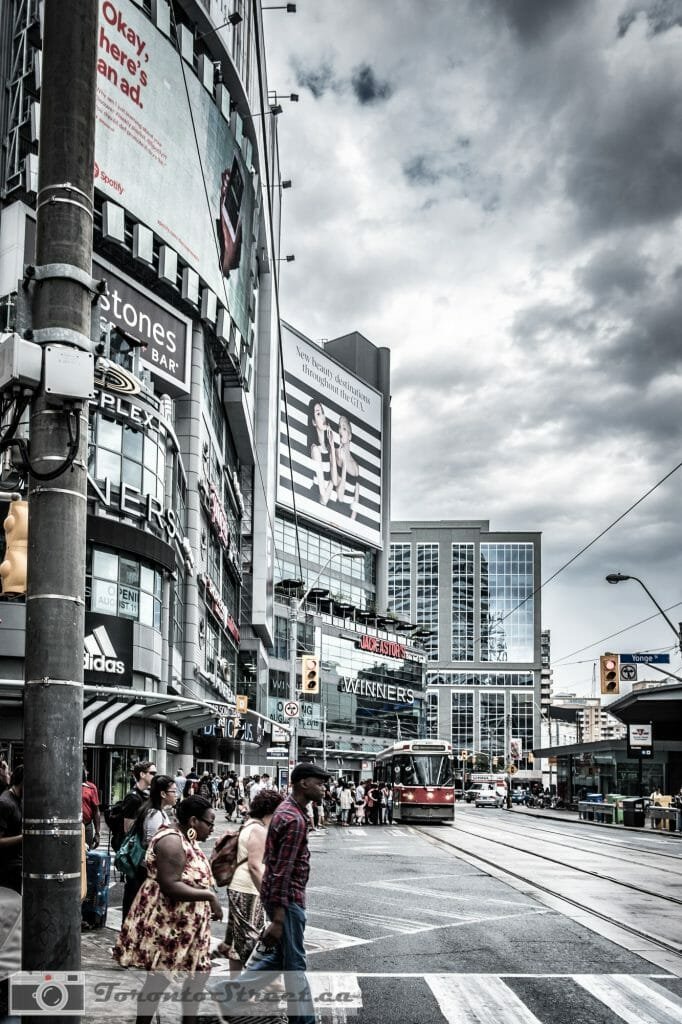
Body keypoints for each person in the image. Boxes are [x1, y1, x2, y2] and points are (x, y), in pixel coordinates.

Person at [214, 763, 330, 1024]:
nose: (324, 788)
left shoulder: (287, 812)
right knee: (295, 965)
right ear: (303, 783)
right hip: (288, 902)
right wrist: (278, 919)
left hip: (282, 901)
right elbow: (281, 871)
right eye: (319, 783)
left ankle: (229, 993)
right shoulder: (294, 819)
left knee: (278, 957)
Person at [113, 796, 222, 1024]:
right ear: (193, 820)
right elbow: (171, 885)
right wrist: (209, 896)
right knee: (159, 979)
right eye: (210, 823)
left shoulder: (186, 837)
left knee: (198, 975)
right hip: (170, 922)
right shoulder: (171, 841)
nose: (212, 829)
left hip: (189, 923)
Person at [217, 788, 284, 971]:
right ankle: (247, 989)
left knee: (237, 942)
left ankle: (235, 985)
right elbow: (255, 866)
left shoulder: (249, 824)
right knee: (251, 941)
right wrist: (267, 895)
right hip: (248, 889)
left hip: (238, 887)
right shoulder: (258, 830)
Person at [121, 761, 157, 921]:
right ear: (142, 774)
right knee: (133, 892)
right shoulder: (133, 797)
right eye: (152, 773)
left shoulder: (146, 796)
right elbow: (127, 829)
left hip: (144, 853)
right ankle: (125, 929)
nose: (154, 776)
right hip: (135, 853)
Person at [307, 397, 338, 505]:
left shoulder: (328, 449)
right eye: (318, 414)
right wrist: (332, 481)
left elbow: (335, 481)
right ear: (313, 422)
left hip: (324, 505)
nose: (323, 417)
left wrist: (333, 447)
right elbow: (323, 499)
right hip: (315, 502)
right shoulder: (315, 449)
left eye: (323, 413)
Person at [0, 766, 23, 894]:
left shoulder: (19, 800)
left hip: (18, 865)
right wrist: (24, 837)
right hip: (8, 868)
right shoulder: (5, 803)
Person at [335, 414, 361, 519]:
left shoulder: (356, 466)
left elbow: (356, 500)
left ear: (350, 436)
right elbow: (340, 496)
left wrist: (351, 521)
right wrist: (344, 464)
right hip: (336, 511)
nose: (341, 431)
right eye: (339, 427)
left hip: (348, 519)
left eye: (344, 428)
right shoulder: (336, 454)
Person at [82, 768, 101, 850]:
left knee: (87, 854)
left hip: (87, 826)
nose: (85, 773)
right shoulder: (68, 786)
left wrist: (97, 833)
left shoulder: (91, 788)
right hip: (72, 826)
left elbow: (96, 811)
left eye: (85, 771)